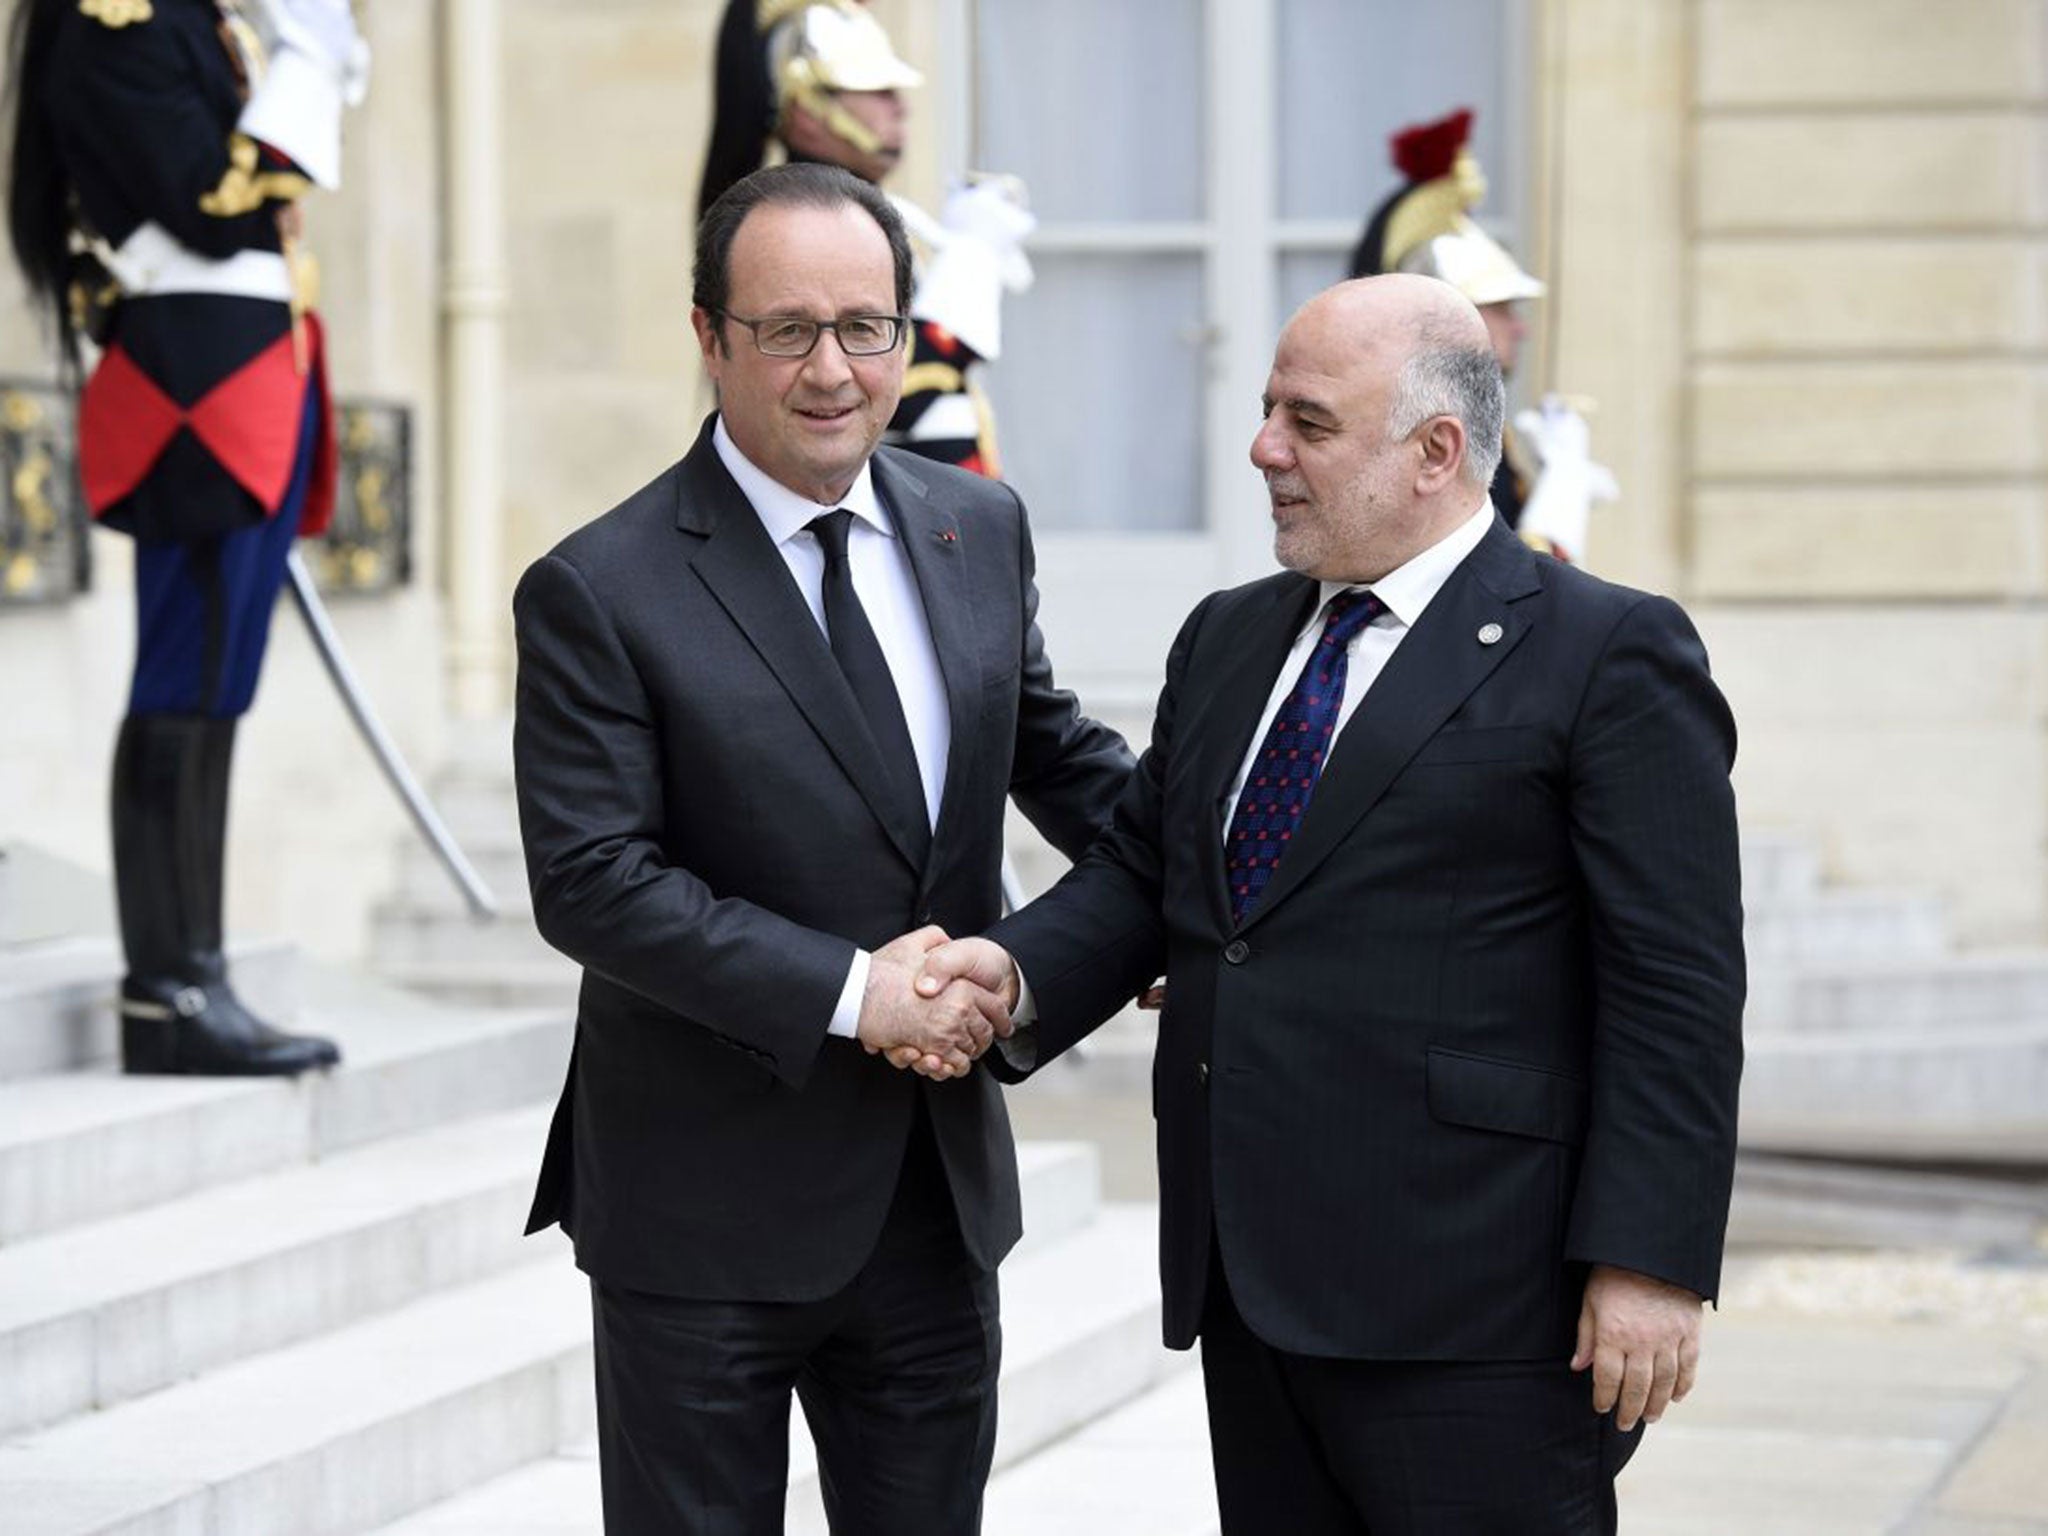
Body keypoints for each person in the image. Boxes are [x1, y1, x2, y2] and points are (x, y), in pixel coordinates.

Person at [917, 274, 1745, 1534]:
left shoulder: (1606, 654)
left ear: (1434, 452)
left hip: (1479, 1307)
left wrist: (1647, 1264)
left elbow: (1675, 986)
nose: (1261, 449)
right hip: (1250, 1283)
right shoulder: (1229, 637)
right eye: (1265, 411)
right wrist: (1011, 978)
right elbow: (1149, 873)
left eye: (1306, 422)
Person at [510, 161, 1131, 1535]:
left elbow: (1057, 754)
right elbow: (593, 881)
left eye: (867, 327)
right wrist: (866, 994)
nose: (834, 370)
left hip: (930, 1200)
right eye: (787, 329)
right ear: (708, 338)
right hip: (702, 1214)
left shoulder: (979, 524)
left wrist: (1205, 895)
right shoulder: (598, 589)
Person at [4, 0, 367, 1074]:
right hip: (198, 381)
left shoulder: (191, 15)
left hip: (253, 358)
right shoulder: (111, 19)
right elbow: (211, 204)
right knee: (182, 681)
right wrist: (306, 69)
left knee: (217, 687)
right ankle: (165, 990)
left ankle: (197, 971)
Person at [700, 0, 1033, 475]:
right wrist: (972, 262)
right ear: (808, 109)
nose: (898, 106)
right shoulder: (797, 229)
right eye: (873, 89)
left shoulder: (880, 218)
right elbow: (898, 386)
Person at [1349, 107, 1614, 564]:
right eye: (1502, 309)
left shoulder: (1471, 417)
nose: (1520, 326)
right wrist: (1557, 513)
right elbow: (1490, 576)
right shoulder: (1426, 428)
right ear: (1453, 315)